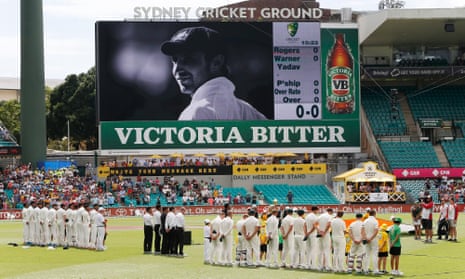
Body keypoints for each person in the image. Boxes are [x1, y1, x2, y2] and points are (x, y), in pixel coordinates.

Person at [161, 26, 267, 121]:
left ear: (217, 63)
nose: (177, 69)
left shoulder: (197, 112)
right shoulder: (249, 111)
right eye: (174, 60)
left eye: (188, 59)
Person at [362, 209, 381, 275]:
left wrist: (366, 238)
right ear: (374, 214)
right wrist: (371, 238)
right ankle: (375, 270)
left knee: (366, 255)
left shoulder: (365, 221)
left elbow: (363, 231)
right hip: (374, 239)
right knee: (374, 255)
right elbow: (376, 231)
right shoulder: (375, 221)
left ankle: (365, 269)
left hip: (367, 239)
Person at [304, 206, 319, 270]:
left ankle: (307, 264)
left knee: (308, 249)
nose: (318, 211)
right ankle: (313, 265)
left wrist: (306, 233)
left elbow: (304, 225)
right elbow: (314, 226)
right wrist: (309, 232)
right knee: (314, 249)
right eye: (317, 210)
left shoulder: (307, 216)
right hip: (313, 234)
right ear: (315, 210)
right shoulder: (315, 217)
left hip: (307, 234)